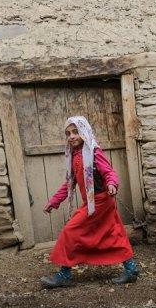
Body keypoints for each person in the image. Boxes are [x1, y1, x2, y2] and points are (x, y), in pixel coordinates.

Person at [40, 116, 140, 287]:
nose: (71, 136)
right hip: (95, 202)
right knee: (114, 234)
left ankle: (64, 275)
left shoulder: (94, 152)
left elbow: (109, 172)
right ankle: (131, 269)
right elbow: (70, 183)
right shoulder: (76, 156)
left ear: (84, 131)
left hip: (101, 201)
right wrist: (54, 201)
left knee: (70, 231)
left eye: (75, 132)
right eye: (68, 133)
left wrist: (111, 184)